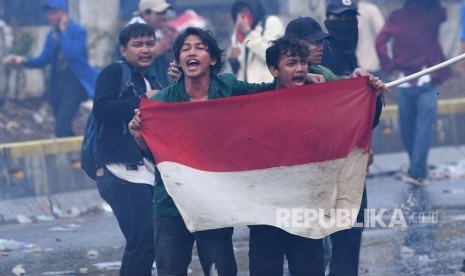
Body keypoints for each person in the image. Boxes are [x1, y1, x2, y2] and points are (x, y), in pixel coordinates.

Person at [247, 36, 325, 276]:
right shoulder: (255, 102)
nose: (300, 68)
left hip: (305, 207)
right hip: (265, 211)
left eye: (303, 62)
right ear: (273, 70)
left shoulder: (321, 98)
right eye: (291, 63)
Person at [93, 23, 161, 276]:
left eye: (150, 43)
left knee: (148, 241)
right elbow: (102, 110)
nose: (145, 49)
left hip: (145, 172)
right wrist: (144, 100)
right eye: (138, 44)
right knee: (143, 239)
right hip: (119, 170)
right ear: (123, 49)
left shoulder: (152, 79)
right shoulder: (113, 73)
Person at [320, 1, 383, 275]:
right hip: (334, 164)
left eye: (349, 19)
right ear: (327, 21)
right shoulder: (325, 58)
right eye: (336, 18)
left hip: (351, 161)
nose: (344, 25)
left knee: (350, 233)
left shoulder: (349, 56)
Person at [375, 0, 451, 186]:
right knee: (424, 127)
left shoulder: (396, 17)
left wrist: (388, 65)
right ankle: (417, 171)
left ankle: (416, 169)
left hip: (404, 79)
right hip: (427, 77)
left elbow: (380, 43)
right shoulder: (433, 13)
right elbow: (444, 14)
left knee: (408, 128)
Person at [2, 0, 99, 137]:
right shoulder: (52, 35)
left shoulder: (77, 31)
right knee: (62, 127)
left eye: (53, 13)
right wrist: (23, 60)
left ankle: (74, 155)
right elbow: (44, 59)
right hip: (58, 84)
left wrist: (64, 32)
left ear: (64, 14)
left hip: (74, 83)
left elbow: (72, 54)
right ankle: (76, 154)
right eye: (48, 13)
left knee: (61, 125)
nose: (50, 17)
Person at [116, 0, 176, 88]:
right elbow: (126, 67)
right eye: (160, 13)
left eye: (165, 13)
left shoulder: (158, 34)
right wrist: (156, 52)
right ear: (146, 14)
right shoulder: (129, 36)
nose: (164, 17)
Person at [228, 0, 284, 82]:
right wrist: (233, 60)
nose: (242, 17)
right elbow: (241, 68)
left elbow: (273, 56)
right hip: (247, 89)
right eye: (239, 12)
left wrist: (248, 32)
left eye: (245, 11)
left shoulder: (271, 22)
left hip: (267, 86)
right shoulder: (238, 32)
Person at [355, 0, 384, 76]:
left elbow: (382, 36)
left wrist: (385, 62)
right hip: (352, 66)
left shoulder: (370, 10)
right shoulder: (343, 11)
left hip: (370, 64)